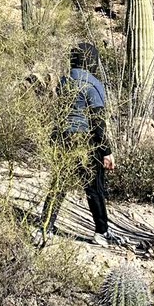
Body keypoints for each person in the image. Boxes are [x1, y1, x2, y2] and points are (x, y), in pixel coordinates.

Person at [39, 42, 119, 247]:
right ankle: (101, 231)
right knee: (94, 187)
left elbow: (60, 113)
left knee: (59, 184)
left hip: (63, 138)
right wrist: (106, 151)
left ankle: (46, 224)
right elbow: (98, 121)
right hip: (85, 141)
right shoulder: (93, 84)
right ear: (92, 61)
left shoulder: (65, 81)